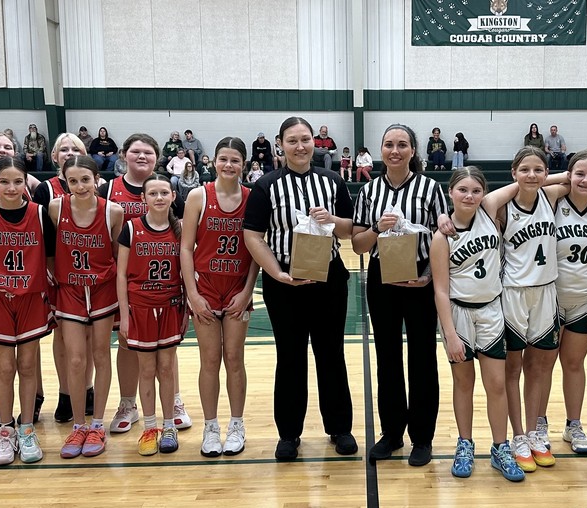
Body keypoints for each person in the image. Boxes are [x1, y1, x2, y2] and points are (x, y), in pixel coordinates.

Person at [243, 116, 357, 461]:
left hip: (328, 280)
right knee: (290, 358)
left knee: (331, 354)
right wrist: (276, 273)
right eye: (292, 140)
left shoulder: (333, 180)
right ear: (280, 144)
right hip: (285, 283)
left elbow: (351, 229)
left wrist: (332, 221)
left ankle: (340, 428)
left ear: (314, 142)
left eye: (305, 139)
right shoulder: (266, 185)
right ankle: (289, 434)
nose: (300, 146)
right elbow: (252, 235)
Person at [352, 123, 447, 467]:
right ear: (381, 150)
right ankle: (392, 433)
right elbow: (358, 244)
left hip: (420, 276)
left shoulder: (431, 189)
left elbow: (443, 239)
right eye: (389, 144)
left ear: (413, 150)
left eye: (402, 144)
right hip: (382, 276)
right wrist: (378, 229)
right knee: (387, 356)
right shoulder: (368, 192)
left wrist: (428, 276)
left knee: (423, 358)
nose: (395, 150)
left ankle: (422, 438)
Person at [430, 166, 524, 482]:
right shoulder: (441, 236)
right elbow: (440, 290)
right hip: (458, 315)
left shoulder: (488, 209)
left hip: (492, 312)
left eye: (475, 190)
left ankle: (500, 447)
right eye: (463, 190)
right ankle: (465, 444)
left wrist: (567, 176)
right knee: (464, 384)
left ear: (483, 193)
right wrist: (450, 334)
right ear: (451, 193)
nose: (470, 196)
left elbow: (526, 179)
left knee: (496, 385)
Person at [99, 134, 193, 434]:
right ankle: (129, 403)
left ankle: (173, 401)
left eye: (148, 152)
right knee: (129, 346)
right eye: (135, 151)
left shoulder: (174, 220)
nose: (142, 156)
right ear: (123, 155)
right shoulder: (108, 189)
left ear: (157, 158)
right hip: (122, 283)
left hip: (163, 291)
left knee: (167, 353)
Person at [480, 147, 562, 472]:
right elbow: (485, 202)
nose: (532, 175)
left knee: (539, 368)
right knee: (512, 369)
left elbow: (577, 177)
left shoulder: (551, 196)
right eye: (524, 169)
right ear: (512, 173)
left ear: (547, 173)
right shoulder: (502, 207)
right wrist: (526, 182)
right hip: (512, 293)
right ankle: (516, 436)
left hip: (546, 293)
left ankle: (532, 434)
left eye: (539, 170)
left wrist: (539, 182)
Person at [181, 137, 259, 458]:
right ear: (213, 161)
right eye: (223, 159)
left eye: (235, 160)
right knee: (210, 360)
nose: (229, 165)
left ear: (244, 164)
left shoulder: (253, 198)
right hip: (206, 287)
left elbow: (256, 250)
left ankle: (236, 425)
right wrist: (193, 295)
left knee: (235, 359)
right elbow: (185, 248)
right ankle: (211, 427)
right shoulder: (198, 196)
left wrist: (247, 291)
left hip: (238, 287)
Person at [0, 156, 55, 466]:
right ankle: (5, 431)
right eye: (4, 181)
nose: (11, 187)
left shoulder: (38, 213)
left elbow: (49, 257)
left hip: (31, 299)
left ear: (26, 183)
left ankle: (27, 429)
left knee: (28, 366)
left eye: (18, 181)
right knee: (4, 368)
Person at [52, 155, 124, 458]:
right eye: (73, 181)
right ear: (65, 182)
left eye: (85, 179)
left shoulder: (113, 211)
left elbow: (115, 253)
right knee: (76, 360)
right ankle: (78, 425)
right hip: (70, 290)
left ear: (97, 180)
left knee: (100, 355)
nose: (80, 186)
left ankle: (97, 424)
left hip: (102, 290)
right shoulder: (56, 208)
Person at [117, 174, 187, 456]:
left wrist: (187, 309)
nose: (159, 198)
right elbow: (121, 274)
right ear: (143, 198)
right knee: (146, 369)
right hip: (140, 308)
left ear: (172, 196)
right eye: (153, 193)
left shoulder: (180, 229)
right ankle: (148, 427)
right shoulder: (131, 228)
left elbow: (186, 272)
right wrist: (124, 312)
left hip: (170, 306)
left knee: (167, 368)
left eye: (164, 193)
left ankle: (169, 425)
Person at [33, 133, 97, 425]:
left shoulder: (98, 189)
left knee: (90, 337)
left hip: (92, 276)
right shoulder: (45, 191)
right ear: (54, 155)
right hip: (60, 275)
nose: (70, 153)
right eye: (64, 149)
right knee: (63, 336)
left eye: (77, 149)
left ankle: (87, 388)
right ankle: (65, 392)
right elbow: (42, 238)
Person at [551, 149, 587, 455]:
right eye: (579, 173)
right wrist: (562, 178)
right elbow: (526, 186)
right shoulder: (553, 200)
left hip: (584, 299)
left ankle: (573, 424)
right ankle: (537, 425)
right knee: (541, 367)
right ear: (569, 174)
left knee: (574, 364)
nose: (586, 180)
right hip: (548, 298)